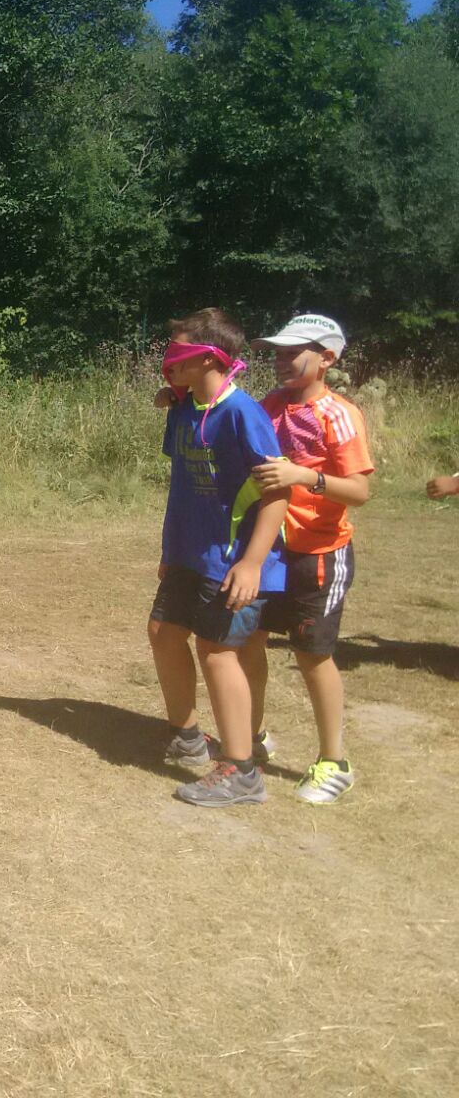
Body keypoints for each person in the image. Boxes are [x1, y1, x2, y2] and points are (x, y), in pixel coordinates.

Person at [148, 307, 288, 807]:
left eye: (176, 355)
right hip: (189, 554)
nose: (167, 363)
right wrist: (172, 551)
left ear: (207, 358)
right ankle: (188, 737)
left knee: (217, 651)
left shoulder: (243, 413)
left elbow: (276, 494)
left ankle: (241, 770)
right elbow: (183, 486)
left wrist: (252, 562)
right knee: (163, 633)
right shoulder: (184, 410)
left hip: (233, 560)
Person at [241, 314, 373, 804]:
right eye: (275, 351)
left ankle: (333, 761)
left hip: (319, 554)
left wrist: (303, 477)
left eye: (291, 351)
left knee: (312, 654)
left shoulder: (338, 414)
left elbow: (359, 490)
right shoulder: (270, 404)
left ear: (328, 358)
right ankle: (250, 737)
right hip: (268, 549)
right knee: (247, 639)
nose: (279, 360)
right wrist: (184, 398)